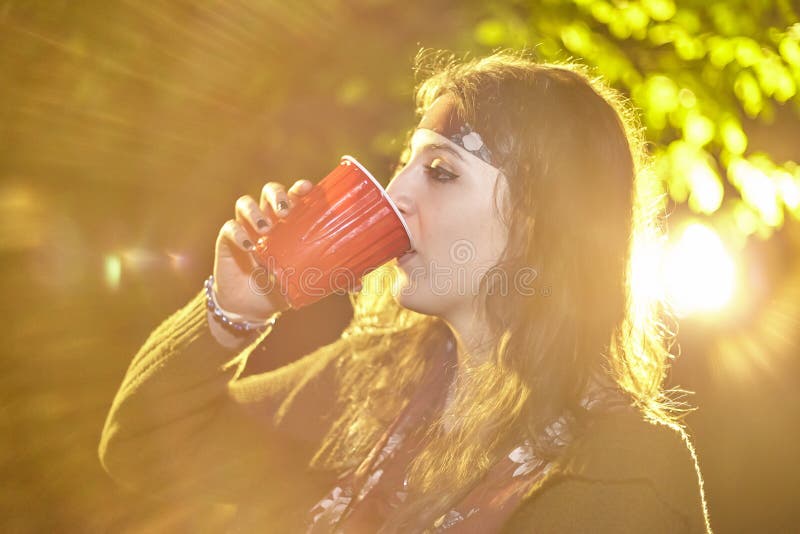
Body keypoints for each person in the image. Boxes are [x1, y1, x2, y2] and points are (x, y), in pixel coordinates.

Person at [98, 50, 712, 533]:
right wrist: (235, 309)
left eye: (442, 172)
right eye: (408, 161)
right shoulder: (374, 380)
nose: (393, 195)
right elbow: (142, 448)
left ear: (543, 226)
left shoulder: (625, 474)